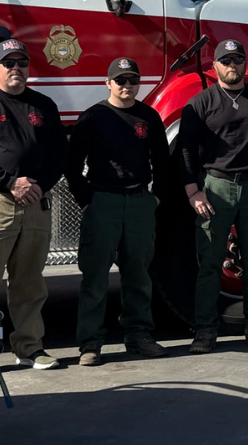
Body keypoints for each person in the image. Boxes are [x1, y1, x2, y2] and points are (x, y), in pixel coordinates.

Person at [0, 39, 68, 378]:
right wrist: (11, 182)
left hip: (34, 202)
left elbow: (59, 154)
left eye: (21, 62)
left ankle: (30, 347)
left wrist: (37, 186)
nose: (15, 68)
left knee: (30, 280)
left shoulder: (43, 105)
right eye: (8, 63)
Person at [179, 39, 248, 353]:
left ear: (245, 64)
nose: (232, 66)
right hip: (215, 187)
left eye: (237, 60)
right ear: (215, 67)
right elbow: (184, 151)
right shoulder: (200, 104)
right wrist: (193, 192)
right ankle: (205, 332)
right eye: (225, 61)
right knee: (210, 263)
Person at [65, 57, 171, 367]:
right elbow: (72, 166)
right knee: (95, 276)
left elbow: (162, 163)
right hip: (103, 202)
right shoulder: (93, 118)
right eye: (120, 80)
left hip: (139, 202)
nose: (127, 86)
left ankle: (139, 336)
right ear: (108, 83)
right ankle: (91, 343)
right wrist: (87, 201)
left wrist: (156, 199)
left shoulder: (148, 117)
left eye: (132, 80)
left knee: (138, 275)